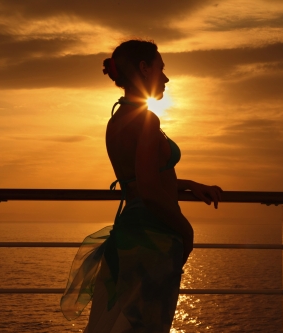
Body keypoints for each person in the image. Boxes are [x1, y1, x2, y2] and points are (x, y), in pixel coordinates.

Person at [60, 39, 222, 333]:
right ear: (145, 68)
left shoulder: (117, 120)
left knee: (117, 323)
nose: (166, 78)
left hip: (129, 233)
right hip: (153, 235)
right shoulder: (146, 119)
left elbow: (137, 180)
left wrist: (187, 184)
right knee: (145, 326)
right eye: (161, 69)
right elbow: (148, 189)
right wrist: (186, 231)